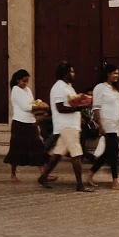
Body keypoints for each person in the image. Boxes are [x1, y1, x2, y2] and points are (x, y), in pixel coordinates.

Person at [38, 62, 94, 192]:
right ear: (65, 73)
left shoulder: (68, 87)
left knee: (58, 153)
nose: (74, 74)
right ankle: (80, 184)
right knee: (76, 153)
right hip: (66, 125)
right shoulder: (59, 88)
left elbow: (71, 102)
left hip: (70, 124)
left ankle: (44, 176)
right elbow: (60, 108)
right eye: (72, 72)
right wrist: (79, 107)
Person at [5, 69, 48, 183]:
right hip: (19, 122)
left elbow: (32, 103)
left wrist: (38, 107)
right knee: (16, 148)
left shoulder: (28, 90)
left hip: (30, 122)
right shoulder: (15, 90)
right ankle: (13, 174)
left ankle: (44, 174)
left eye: (26, 81)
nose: (25, 84)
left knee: (38, 147)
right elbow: (26, 107)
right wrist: (40, 107)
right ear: (18, 80)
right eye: (23, 81)